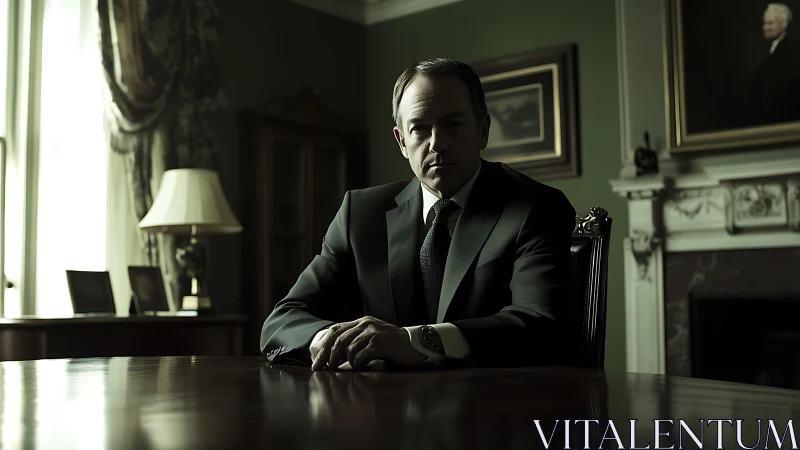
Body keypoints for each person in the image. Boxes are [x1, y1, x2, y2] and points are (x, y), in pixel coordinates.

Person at [260, 58, 576, 371]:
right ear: (401, 141)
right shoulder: (361, 214)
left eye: (453, 125)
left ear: (482, 130)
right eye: (420, 129)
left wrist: (415, 341)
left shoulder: (535, 207)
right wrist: (329, 340)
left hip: (492, 408)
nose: (436, 143)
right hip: (380, 409)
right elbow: (283, 321)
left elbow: (539, 325)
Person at [745, 3, 800, 127]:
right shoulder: (771, 51)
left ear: (784, 24)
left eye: (770, 23)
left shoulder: (792, 52)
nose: (765, 27)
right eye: (764, 23)